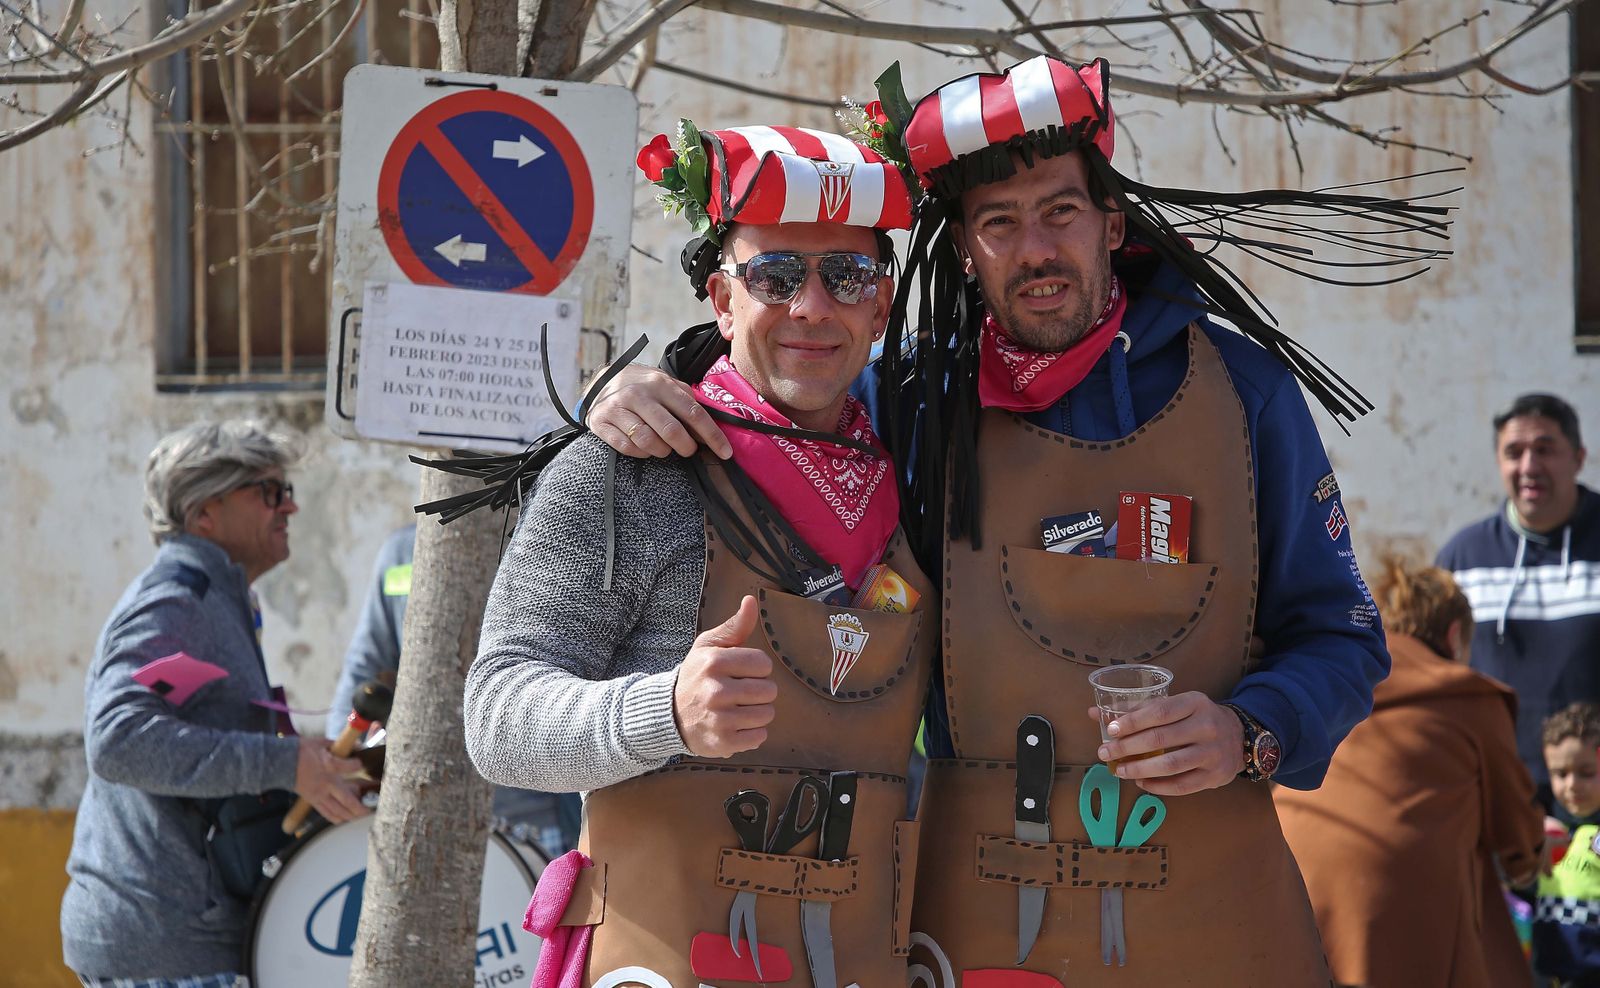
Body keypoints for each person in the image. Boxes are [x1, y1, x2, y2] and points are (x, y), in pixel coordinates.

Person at [587, 56, 1449, 982]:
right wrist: (643, 388)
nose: (1035, 248)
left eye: (1061, 213)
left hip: (1217, 915)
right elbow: (781, 393)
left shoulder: (1246, 398)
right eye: (999, 223)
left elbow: (1344, 634)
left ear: (1112, 226)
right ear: (963, 249)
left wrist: (1251, 731)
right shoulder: (912, 404)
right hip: (982, 923)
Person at [460, 120, 930, 986]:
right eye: (775, 275)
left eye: (847, 274)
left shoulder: (925, 464)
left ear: (883, 301)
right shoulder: (627, 471)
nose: (812, 307)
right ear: (721, 297)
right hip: (665, 959)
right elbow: (497, 719)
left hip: (860, 957)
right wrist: (665, 712)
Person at [61, 421, 367, 987]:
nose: (289, 508)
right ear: (205, 512)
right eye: (270, 492)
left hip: (175, 934)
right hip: (162, 940)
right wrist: (281, 764)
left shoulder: (214, 599)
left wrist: (304, 763)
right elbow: (117, 739)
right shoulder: (178, 602)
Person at [1274, 557, 1543, 988]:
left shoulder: (1336, 677)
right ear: (1454, 636)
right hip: (1395, 898)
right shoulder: (1468, 696)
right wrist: (1531, 858)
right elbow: (1513, 825)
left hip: (1291, 870)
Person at [327, 523, 580, 853]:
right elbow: (361, 668)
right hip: (432, 816)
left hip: (534, 820)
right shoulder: (402, 551)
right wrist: (342, 766)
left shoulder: (542, 533)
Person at [1438, 393, 1599, 809]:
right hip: (1496, 800)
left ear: (1579, 457)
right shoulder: (1463, 558)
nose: (1529, 466)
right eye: (1515, 452)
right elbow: (1432, 673)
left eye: (1545, 450)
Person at [1534, 702, 1600, 984]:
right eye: (1560, 774)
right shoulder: (1542, 830)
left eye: (1586, 772)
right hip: (1554, 975)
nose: (1572, 784)